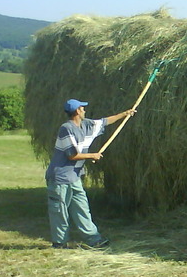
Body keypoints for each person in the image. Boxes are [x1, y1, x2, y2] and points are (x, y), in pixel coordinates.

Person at [45, 98, 136, 249]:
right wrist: (92, 155)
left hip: (74, 177)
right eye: (82, 108)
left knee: (82, 208)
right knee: (59, 210)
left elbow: (104, 121)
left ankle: (94, 239)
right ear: (77, 111)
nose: (85, 110)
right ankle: (59, 242)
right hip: (60, 177)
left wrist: (125, 114)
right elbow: (71, 155)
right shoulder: (66, 129)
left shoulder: (86, 124)